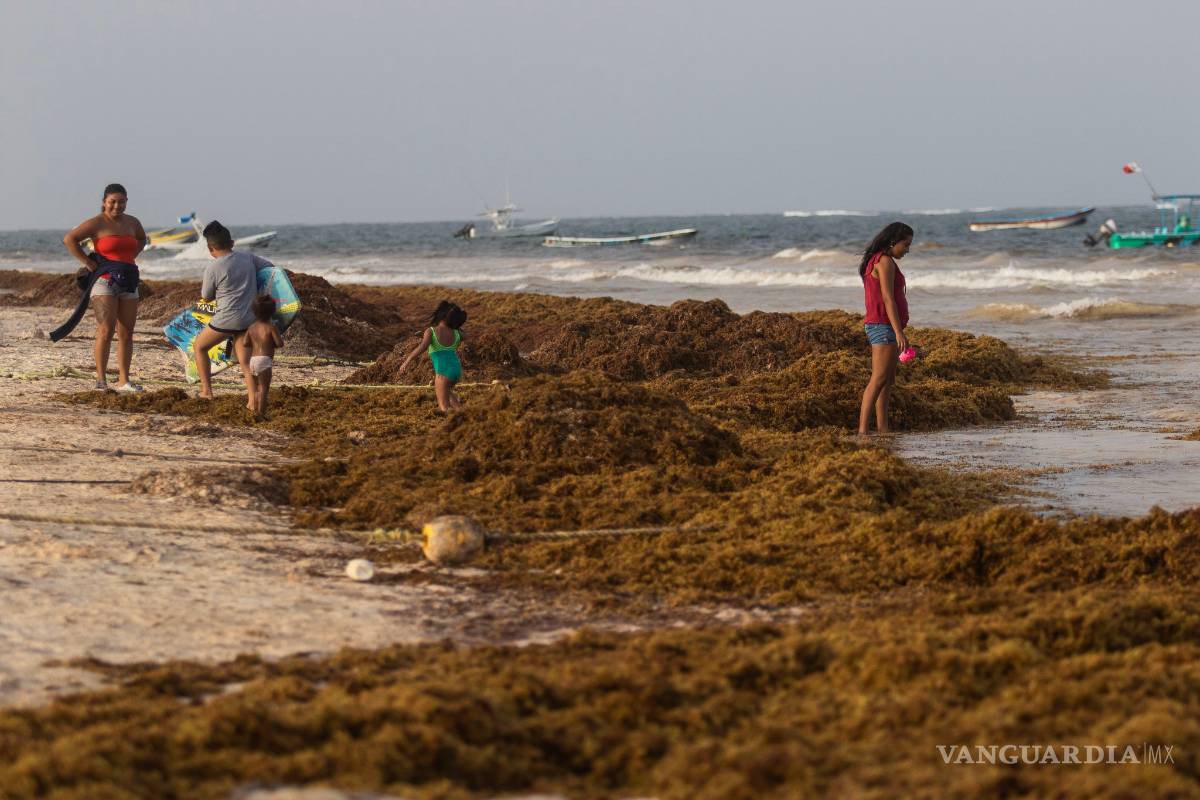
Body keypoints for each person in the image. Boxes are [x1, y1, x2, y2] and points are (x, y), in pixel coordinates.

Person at [62, 183, 147, 391]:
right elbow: (70, 239)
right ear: (104, 202)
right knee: (106, 330)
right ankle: (101, 380)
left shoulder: (132, 222)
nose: (117, 206)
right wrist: (88, 262)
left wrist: (132, 256)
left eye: (122, 202)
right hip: (104, 282)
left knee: (127, 332)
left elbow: (142, 239)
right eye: (113, 202)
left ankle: (124, 380)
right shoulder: (97, 223)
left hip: (129, 279)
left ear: (127, 201)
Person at [192, 221, 270, 400]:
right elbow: (268, 267)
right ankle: (252, 398)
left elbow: (207, 296)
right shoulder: (248, 258)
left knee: (200, 347)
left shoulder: (213, 267)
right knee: (244, 360)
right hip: (249, 318)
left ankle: (206, 391)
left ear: (210, 248)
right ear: (233, 243)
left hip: (227, 319)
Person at [858, 221, 914, 435]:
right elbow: (888, 299)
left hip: (883, 325)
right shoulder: (885, 262)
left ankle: (883, 427)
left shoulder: (877, 260)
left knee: (887, 380)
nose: (907, 249)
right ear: (893, 241)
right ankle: (863, 431)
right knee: (879, 379)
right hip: (883, 326)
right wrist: (899, 332)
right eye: (906, 244)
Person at [397, 300, 467, 412]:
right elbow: (466, 337)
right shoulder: (457, 333)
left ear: (441, 315)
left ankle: (454, 426)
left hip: (443, 373)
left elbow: (422, 347)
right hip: (456, 371)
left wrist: (407, 361)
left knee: (444, 408)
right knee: (448, 393)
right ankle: (465, 415)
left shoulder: (431, 331)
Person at [245, 295, 284, 418]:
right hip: (264, 360)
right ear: (272, 311)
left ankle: (255, 410)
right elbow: (279, 343)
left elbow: (245, 343)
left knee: (256, 388)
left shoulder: (251, 328)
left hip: (252, 360)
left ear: (254, 311)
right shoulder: (270, 327)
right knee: (264, 389)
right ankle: (261, 414)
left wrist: (255, 342)